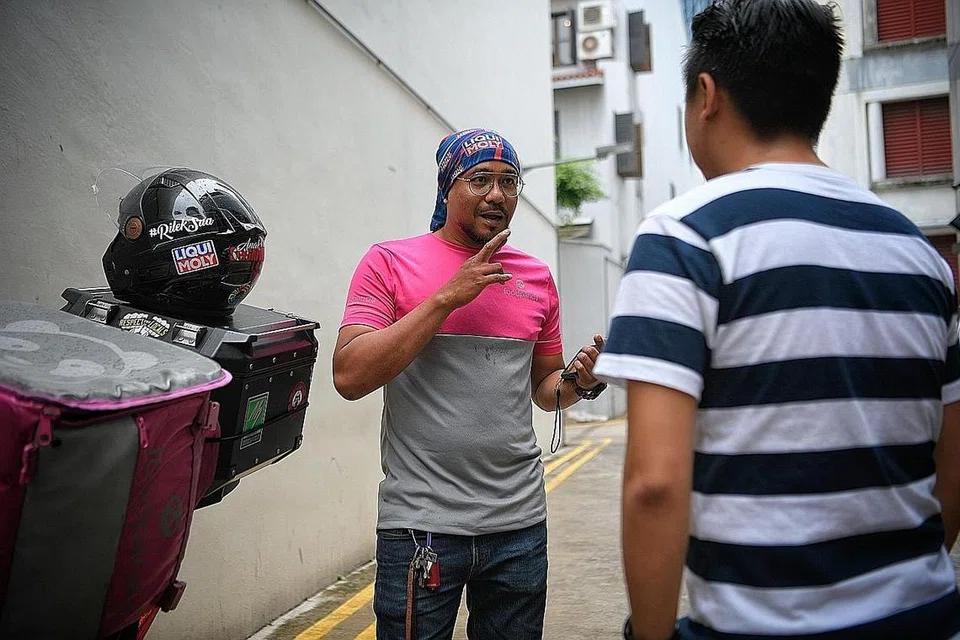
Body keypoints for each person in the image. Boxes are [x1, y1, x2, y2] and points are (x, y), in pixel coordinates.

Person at [593, 1, 960, 639]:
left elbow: (654, 484)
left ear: (706, 96)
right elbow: (953, 463)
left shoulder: (684, 239)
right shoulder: (918, 254)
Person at [333, 127, 606, 640]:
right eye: (480, 179)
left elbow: (545, 390)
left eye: (509, 182)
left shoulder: (537, 277)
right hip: (422, 525)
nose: (497, 195)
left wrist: (579, 381)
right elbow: (348, 376)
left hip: (519, 524)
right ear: (447, 188)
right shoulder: (390, 263)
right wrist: (444, 299)